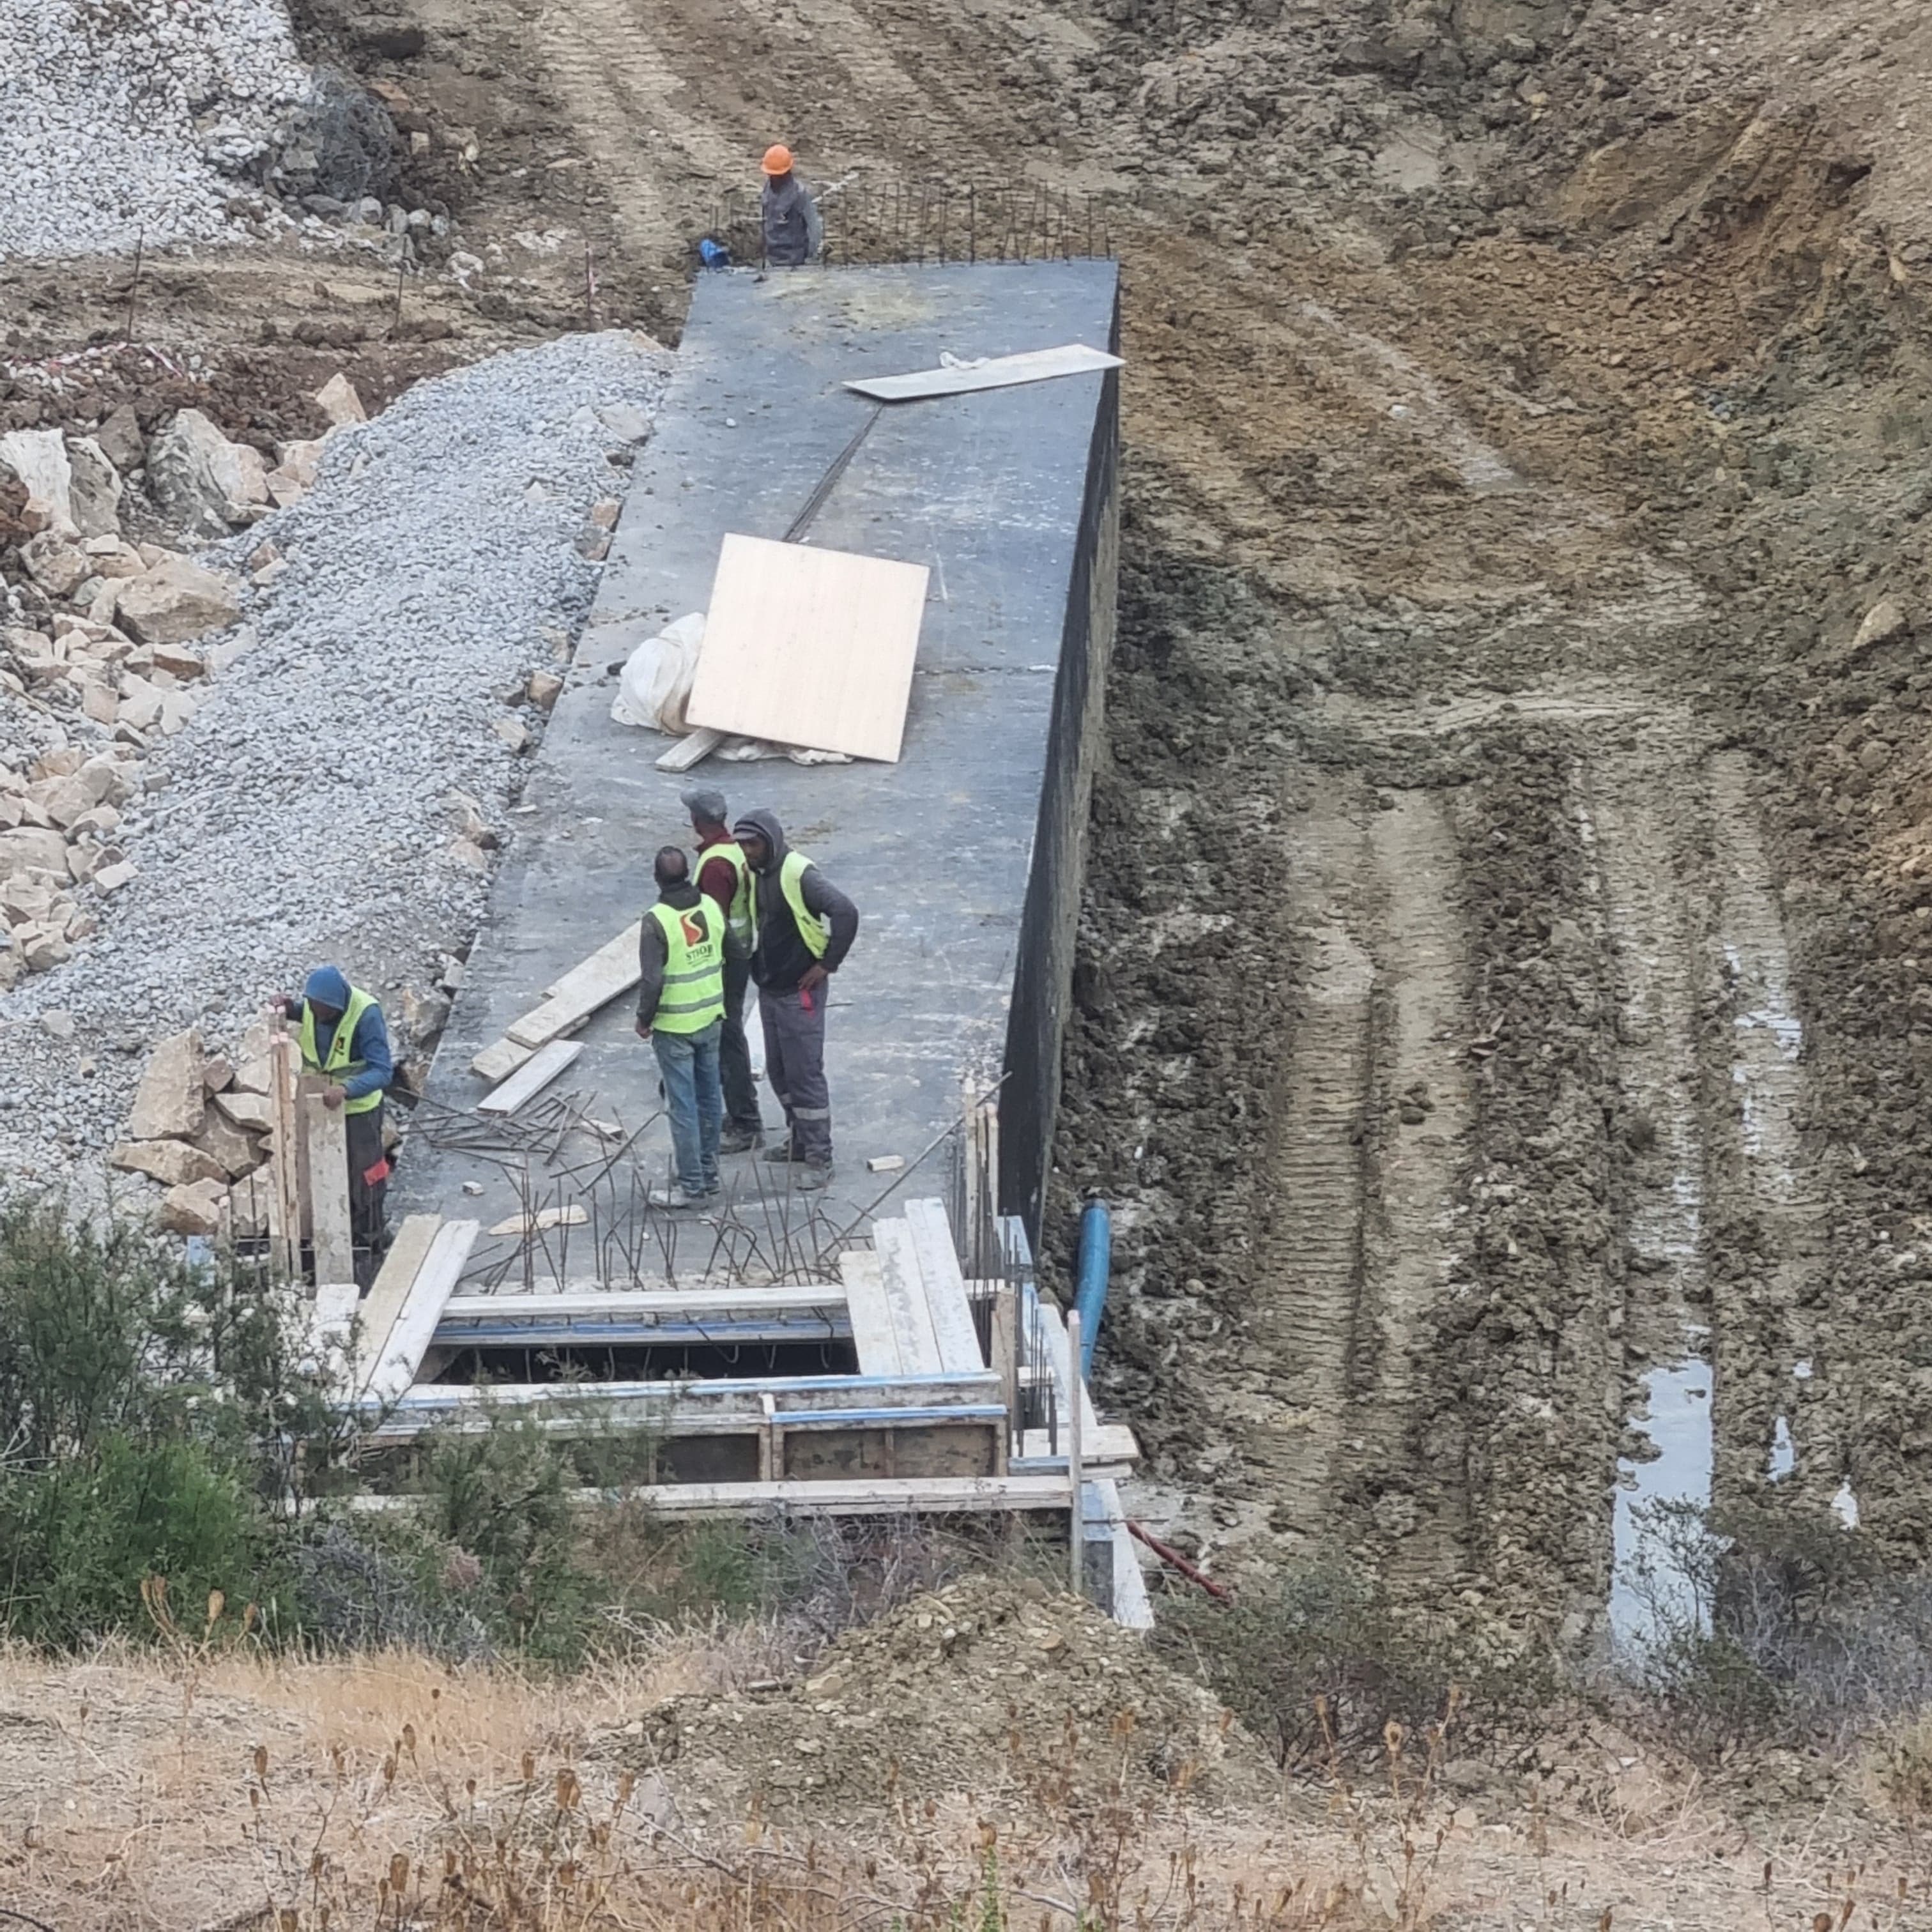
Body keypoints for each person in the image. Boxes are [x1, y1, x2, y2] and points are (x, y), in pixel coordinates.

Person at [732, 809, 857, 1189]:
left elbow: (845, 911)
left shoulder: (797, 874)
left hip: (799, 991)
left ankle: (820, 1158)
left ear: (769, 841)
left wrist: (827, 964)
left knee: (804, 1074)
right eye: (742, 845)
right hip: (772, 989)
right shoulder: (759, 874)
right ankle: (800, 1140)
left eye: (752, 844)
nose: (746, 852)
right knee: (781, 1071)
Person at [277, 965, 394, 1266]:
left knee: (367, 1175)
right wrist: (290, 1009)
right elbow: (306, 1011)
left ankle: (371, 1239)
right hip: (320, 1106)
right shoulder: (315, 1009)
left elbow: (382, 1070)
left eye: (325, 1012)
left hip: (359, 1110)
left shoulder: (366, 1014)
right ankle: (335, 1233)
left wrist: (347, 1089)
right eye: (314, 1009)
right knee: (327, 1171)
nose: (318, 1016)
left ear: (338, 1006)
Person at [634, 845, 727, 1209]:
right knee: (709, 1098)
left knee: (683, 1105)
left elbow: (652, 980)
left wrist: (644, 1018)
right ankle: (708, 1173)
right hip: (710, 1017)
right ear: (688, 872)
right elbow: (731, 951)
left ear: (657, 878)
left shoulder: (656, 921)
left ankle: (692, 1187)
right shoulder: (710, 907)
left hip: (675, 1026)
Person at [681, 785, 764, 1152]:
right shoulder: (733, 852)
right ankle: (737, 1112)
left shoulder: (715, 865)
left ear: (698, 821)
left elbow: (713, 921)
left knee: (728, 1036)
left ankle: (746, 1123)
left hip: (726, 959)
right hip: (742, 951)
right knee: (728, 1035)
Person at [760, 144, 823, 268]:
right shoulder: (768, 190)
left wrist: (811, 257)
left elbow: (814, 228)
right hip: (772, 258)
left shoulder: (800, 194)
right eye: (771, 175)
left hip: (796, 260)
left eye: (777, 175)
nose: (774, 178)